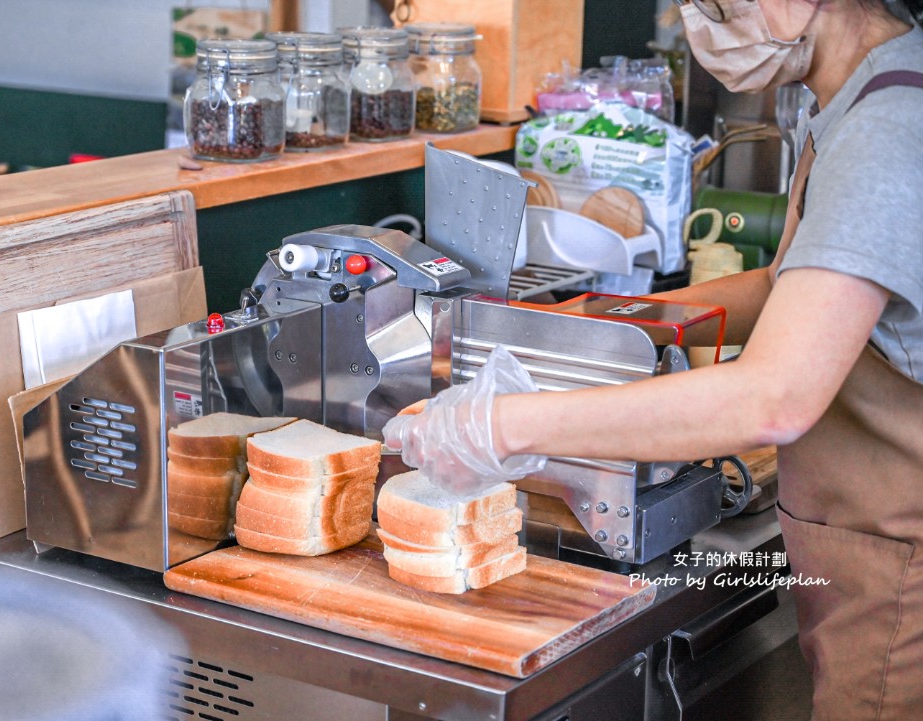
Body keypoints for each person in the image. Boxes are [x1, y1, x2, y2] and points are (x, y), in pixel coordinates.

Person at [383, 1, 923, 718]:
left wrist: (497, 426)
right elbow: (784, 281)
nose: (696, 21)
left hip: (900, 564)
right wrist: (597, 321)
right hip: (864, 548)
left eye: (713, 3)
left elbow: (772, 399)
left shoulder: (885, 128)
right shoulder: (860, 91)